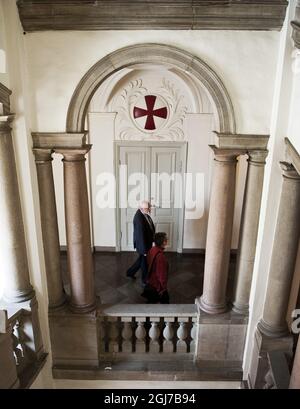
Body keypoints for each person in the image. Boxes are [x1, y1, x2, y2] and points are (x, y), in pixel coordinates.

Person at [126, 200, 155, 285]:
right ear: (141, 208)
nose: (149, 210)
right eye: (147, 208)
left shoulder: (144, 214)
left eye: (149, 207)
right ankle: (144, 280)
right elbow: (140, 235)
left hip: (146, 242)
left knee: (141, 260)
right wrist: (144, 250)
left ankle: (130, 272)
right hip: (143, 244)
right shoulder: (139, 218)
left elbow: (150, 227)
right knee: (144, 262)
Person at [142, 232, 169, 304]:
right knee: (165, 303)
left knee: (151, 302)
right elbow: (161, 275)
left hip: (150, 281)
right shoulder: (161, 257)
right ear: (164, 242)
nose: (167, 240)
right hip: (156, 285)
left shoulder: (152, 249)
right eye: (166, 239)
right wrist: (163, 289)